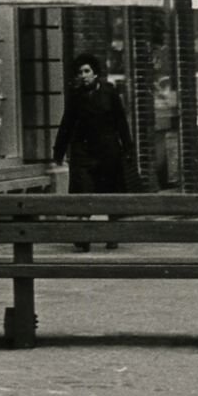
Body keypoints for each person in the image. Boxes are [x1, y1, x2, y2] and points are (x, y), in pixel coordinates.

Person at [52, 52, 135, 250]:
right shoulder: (76, 97)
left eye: (87, 71)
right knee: (83, 192)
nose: (84, 75)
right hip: (83, 152)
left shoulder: (109, 93)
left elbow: (121, 122)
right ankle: (83, 236)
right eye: (80, 72)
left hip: (108, 151)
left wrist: (128, 148)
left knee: (109, 194)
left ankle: (112, 235)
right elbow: (67, 125)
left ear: (95, 73)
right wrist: (59, 152)